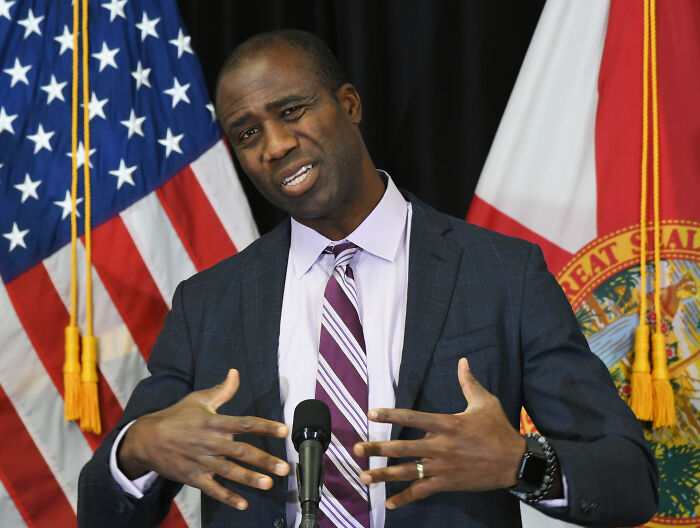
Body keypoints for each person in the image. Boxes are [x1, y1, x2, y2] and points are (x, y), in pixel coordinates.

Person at [78, 29, 658, 528]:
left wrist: (519, 462)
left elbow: (629, 479)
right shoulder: (208, 303)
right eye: (247, 133)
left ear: (349, 104)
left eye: (291, 110)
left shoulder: (503, 273)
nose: (276, 146)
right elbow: (101, 511)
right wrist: (139, 448)